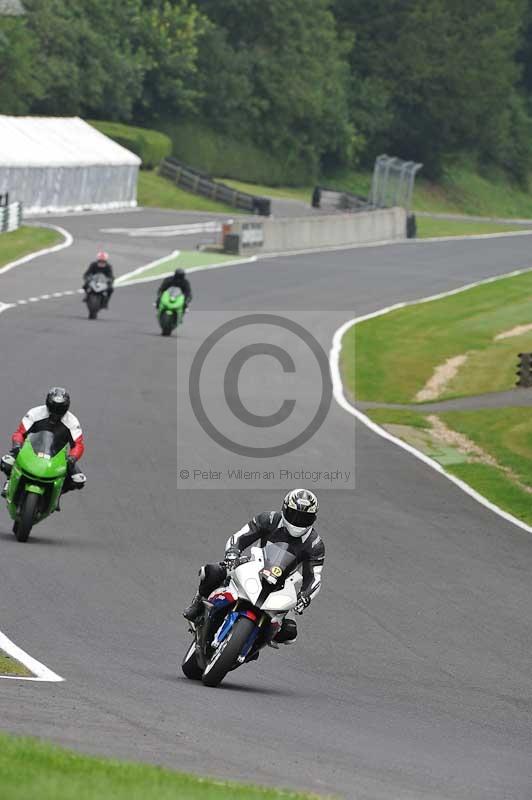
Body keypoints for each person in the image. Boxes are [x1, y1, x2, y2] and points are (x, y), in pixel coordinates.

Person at [183, 488, 324, 646]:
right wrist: (232, 553)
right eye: (294, 514)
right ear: (284, 509)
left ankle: (254, 644)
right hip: (255, 563)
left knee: (289, 633)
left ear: (313, 518)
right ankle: (197, 603)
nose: (298, 521)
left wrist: (305, 597)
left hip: (284, 582)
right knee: (211, 571)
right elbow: (240, 536)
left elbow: (314, 577)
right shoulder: (269, 519)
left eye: (305, 517)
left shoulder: (315, 544)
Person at [1, 388, 86, 502]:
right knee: (5, 462)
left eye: (60, 408)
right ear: (48, 404)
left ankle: (57, 494)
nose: (56, 412)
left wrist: (72, 457)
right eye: (54, 407)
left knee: (78, 480)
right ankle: (9, 481)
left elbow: (78, 445)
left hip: (58, 456)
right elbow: (20, 433)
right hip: (30, 450)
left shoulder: (72, 421)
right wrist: (17, 445)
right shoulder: (35, 413)